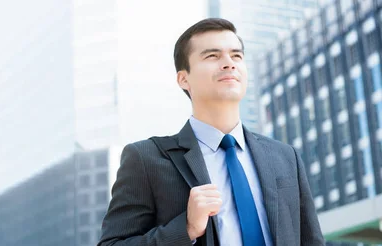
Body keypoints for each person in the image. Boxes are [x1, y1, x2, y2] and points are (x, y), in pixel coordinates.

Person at [97, 18, 324, 246]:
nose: (229, 63)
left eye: (236, 55)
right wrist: (186, 228)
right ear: (184, 79)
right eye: (212, 56)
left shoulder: (285, 157)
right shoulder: (146, 159)